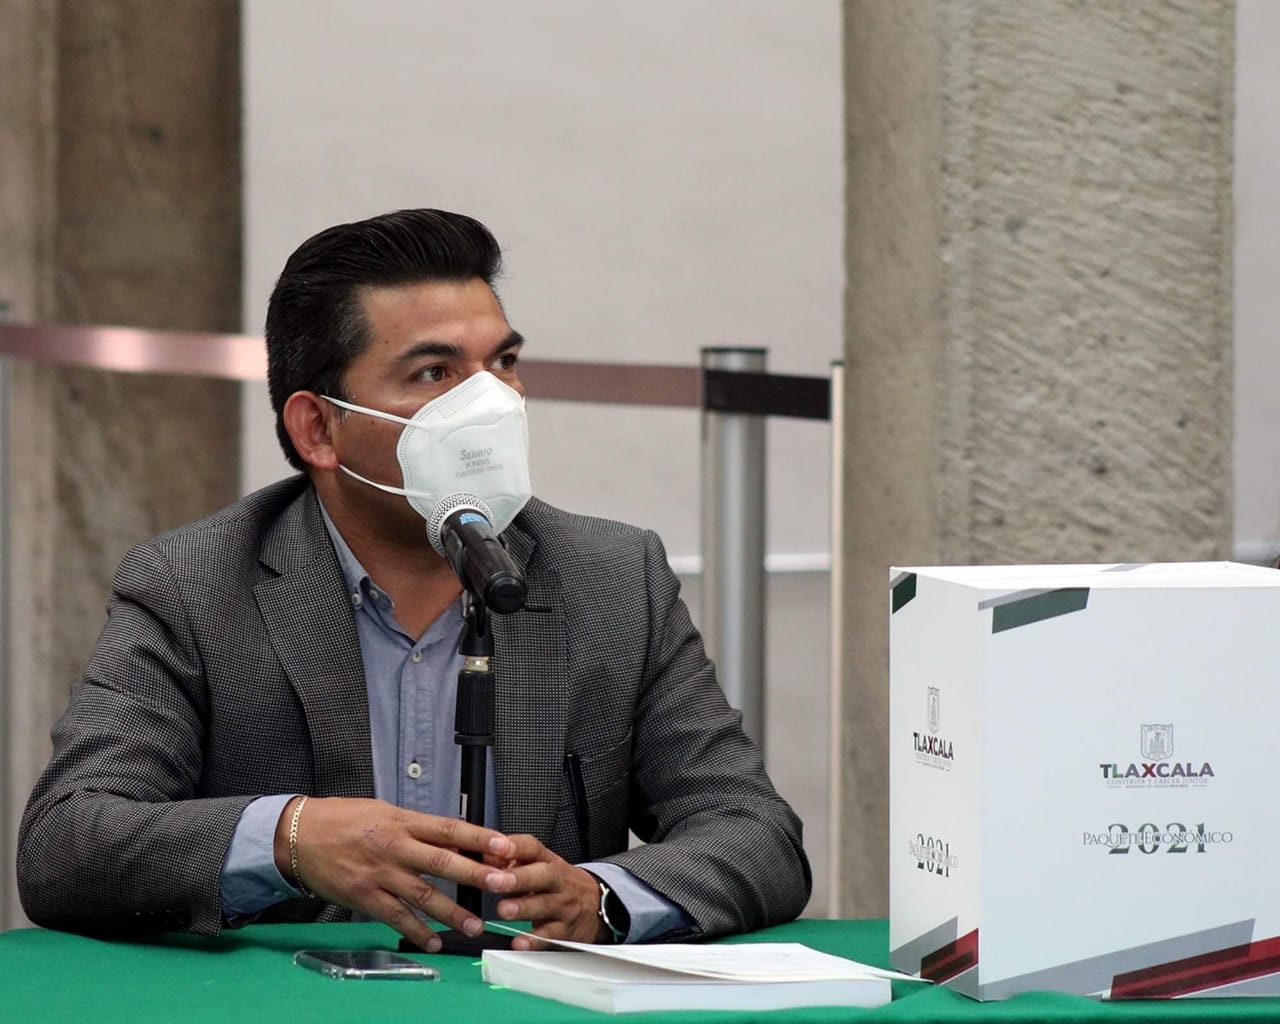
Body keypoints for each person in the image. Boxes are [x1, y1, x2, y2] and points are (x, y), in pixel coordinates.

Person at [17, 209, 811, 951]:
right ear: (318, 428)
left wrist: (600, 899)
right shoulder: (192, 585)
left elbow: (753, 831)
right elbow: (65, 842)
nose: (491, 403)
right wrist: (289, 838)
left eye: (503, 362)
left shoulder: (612, 579)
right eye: (435, 373)